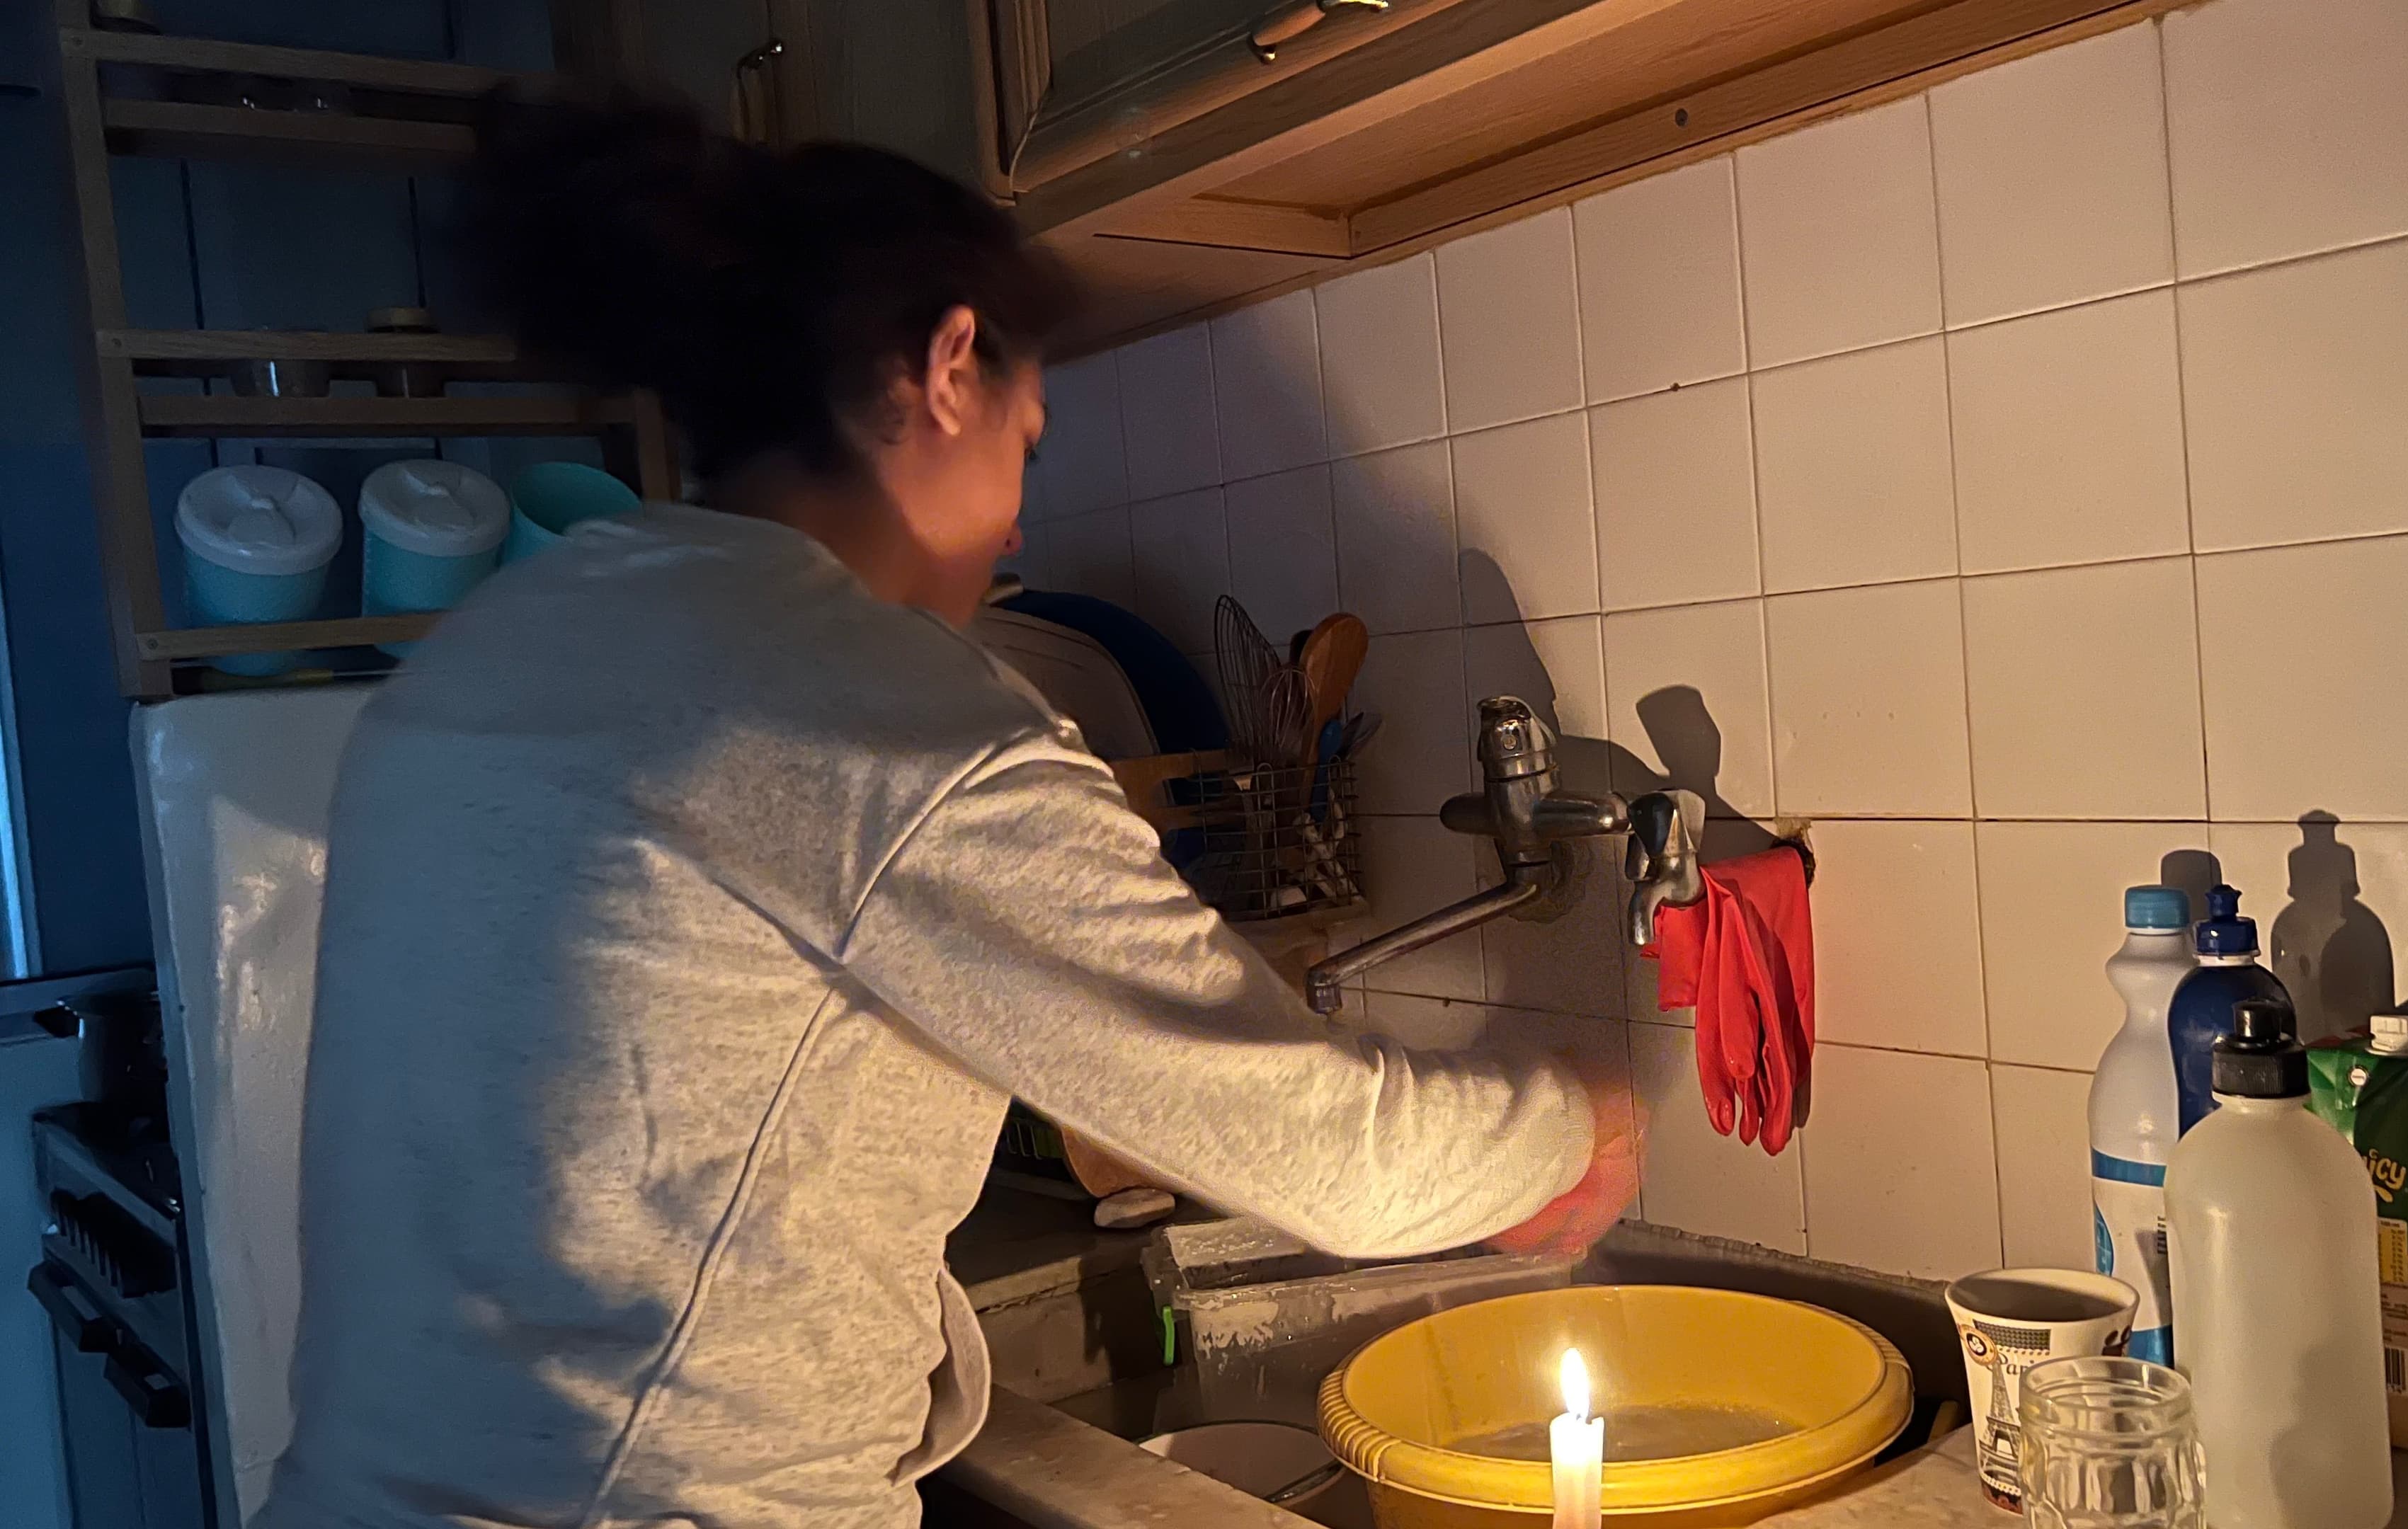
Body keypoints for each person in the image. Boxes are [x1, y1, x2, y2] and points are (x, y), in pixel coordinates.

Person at [253, 96, 1636, 1529]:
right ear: (950, 366)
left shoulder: (494, 648)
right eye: (1028, 448)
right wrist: (1577, 1124)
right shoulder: (880, 714)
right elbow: (1337, 1162)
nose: (1021, 524)